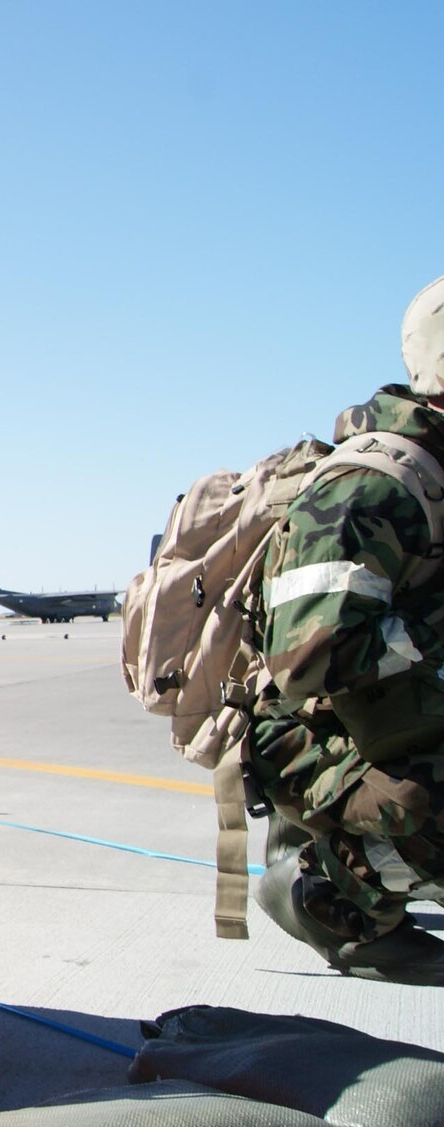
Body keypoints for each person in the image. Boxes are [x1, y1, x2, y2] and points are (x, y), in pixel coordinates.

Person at [248, 273, 444, 985]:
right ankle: (330, 896)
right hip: (307, 737)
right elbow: (310, 659)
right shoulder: (376, 486)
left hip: (391, 717)